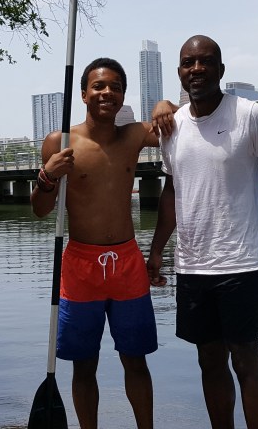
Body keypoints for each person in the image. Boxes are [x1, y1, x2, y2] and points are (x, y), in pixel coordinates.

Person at [147, 35, 258, 429]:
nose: (197, 69)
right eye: (189, 63)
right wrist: (155, 252)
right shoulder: (170, 127)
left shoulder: (250, 115)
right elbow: (172, 191)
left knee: (247, 360)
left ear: (220, 70)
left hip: (241, 264)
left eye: (205, 62)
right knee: (209, 362)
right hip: (191, 266)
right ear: (180, 73)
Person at [31, 57, 166, 429]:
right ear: (84, 94)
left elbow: (178, 128)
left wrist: (164, 106)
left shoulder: (135, 136)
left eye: (116, 87)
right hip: (80, 267)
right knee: (83, 363)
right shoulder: (61, 142)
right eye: (99, 86)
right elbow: (41, 211)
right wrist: (46, 176)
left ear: (123, 95)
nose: (107, 92)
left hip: (127, 263)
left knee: (135, 360)